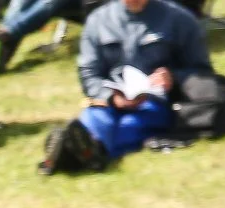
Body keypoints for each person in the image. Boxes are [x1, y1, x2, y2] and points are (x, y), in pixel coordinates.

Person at [70, 0, 210, 162]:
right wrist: (111, 96)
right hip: (109, 101)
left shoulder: (179, 19)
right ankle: (86, 149)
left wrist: (173, 77)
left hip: (156, 103)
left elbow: (202, 72)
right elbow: (88, 73)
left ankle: (88, 152)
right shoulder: (98, 21)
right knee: (94, 118)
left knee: (130, 125)